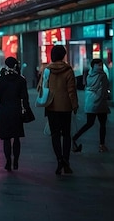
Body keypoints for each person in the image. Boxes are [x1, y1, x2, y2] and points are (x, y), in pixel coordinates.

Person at [38, 45, 78, 175]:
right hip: (66, 107)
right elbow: (71, 91)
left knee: (55, 135)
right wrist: (74, 105)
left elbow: (41, 88)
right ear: (63, 55)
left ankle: (59, 160)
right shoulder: (68, 70)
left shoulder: (47, 70)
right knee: (66, 135)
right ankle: (66, 161)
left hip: (51, 106)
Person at [0, 57, 30, 171]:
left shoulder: (0, 79)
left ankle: (8, 161)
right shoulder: (21, 80)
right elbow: (25, 97)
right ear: (15, 65)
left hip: (4, 111)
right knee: (16, 138)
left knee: (6, 139)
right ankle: (16, 161)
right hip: (16, 111)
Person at [72, 58, 110, 153]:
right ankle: (102, 145)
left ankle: (75, 137)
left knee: (89, 123)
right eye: (99, 65)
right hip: (100, 103)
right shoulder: (103, 76)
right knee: (102, 124)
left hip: (90, 102)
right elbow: (104, 89)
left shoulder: (89, 75)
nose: (100, 66)